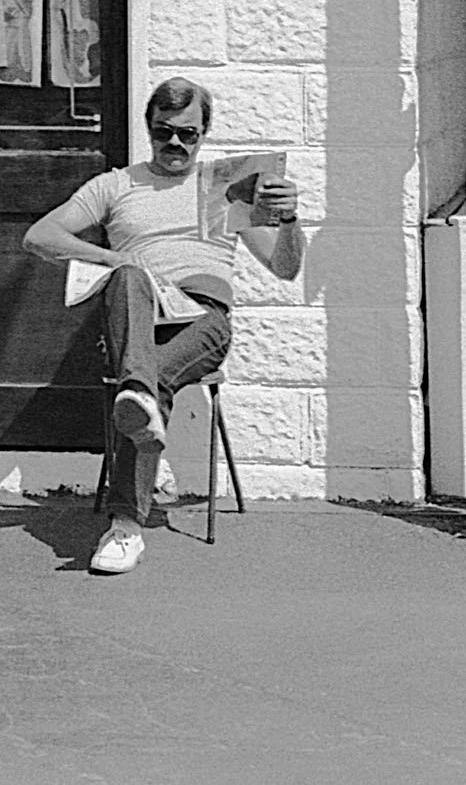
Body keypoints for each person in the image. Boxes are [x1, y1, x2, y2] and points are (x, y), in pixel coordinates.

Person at [21, 77, 303, 575]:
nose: (175, 143)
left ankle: (125, 523)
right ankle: (131, 480)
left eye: (187, 134)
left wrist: (290, 221)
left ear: (204, 134)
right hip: (141, 318)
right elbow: (41, 236)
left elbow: (285, 269)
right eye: (164, 132)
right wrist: (113, 256)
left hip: (203, 319)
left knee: (141, 384)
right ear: (149, 129)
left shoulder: (225, 188)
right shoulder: (116, 185)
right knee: (129, 285)